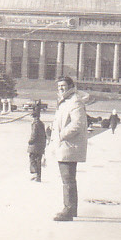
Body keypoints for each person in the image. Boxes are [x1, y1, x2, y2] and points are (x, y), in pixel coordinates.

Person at [49, 76, 88, 221]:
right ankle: (71, 209)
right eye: (59, 86)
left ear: (71, 86)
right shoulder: (65, 101)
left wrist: (61, 135)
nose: (61, 88)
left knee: (68, 180)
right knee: (68, 179)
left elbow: (77, 124)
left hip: (69, 146)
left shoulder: (75, 101)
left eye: (63, 86)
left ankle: (68, 210)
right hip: (65, 146)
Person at [27, 109, 46, 182]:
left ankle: (34, 174)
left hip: (35, 145)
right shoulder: (41, 123)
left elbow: (34, 134)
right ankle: (38, 177)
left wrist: (30, 141)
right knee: (38, 161)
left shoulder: (35, 124)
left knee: (32, 159)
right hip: (41, 145)